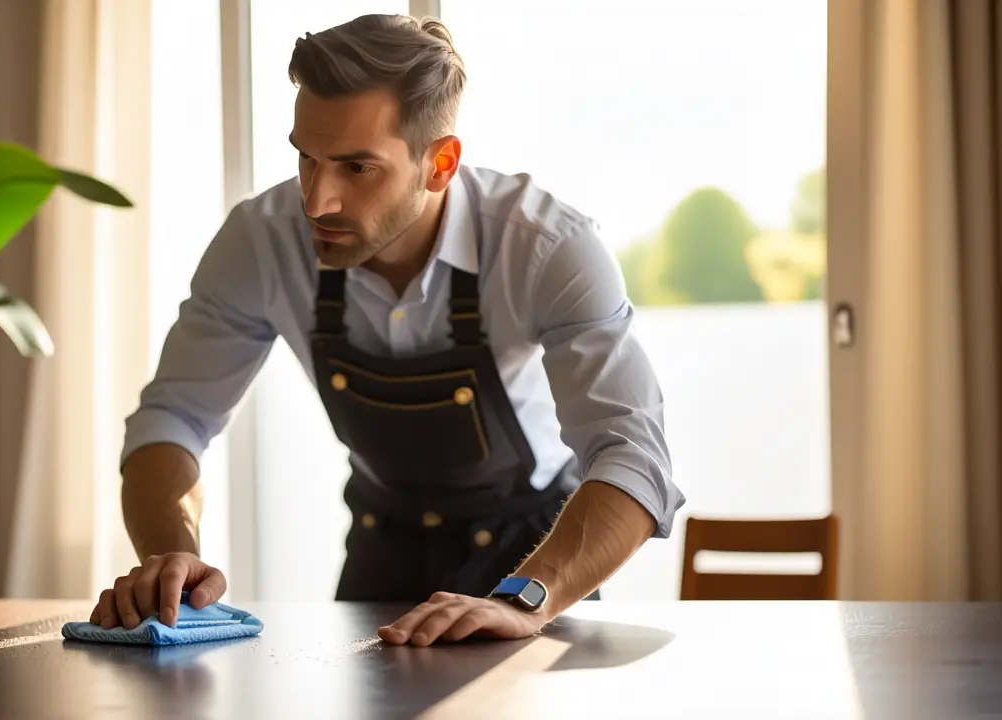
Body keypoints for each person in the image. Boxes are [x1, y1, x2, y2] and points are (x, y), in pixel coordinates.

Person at [90, 13, 684, 646]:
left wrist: (526, 600)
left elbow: (633, 457)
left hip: (534, 558)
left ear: (441, 163)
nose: (317, 202)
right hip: (383, 544)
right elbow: (173, 418)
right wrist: (170, 557)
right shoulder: (258, 241)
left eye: (357, 168)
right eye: (306, 159)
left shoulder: (546, 246)